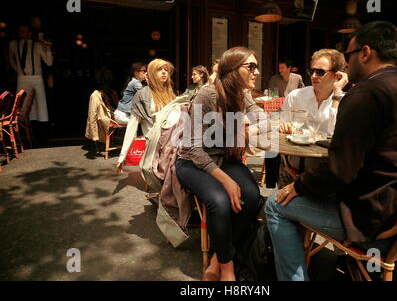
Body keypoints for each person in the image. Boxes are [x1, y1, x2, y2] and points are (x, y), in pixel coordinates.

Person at [264, 21, 397, 281]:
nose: (347, 65)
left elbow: (340, 171)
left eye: (348, 55)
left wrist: (298, 186)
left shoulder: (365, 95)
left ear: (365, 53)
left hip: (375, 222)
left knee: (275, 203)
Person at [176, 46, 268, 281]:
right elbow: (192, 148)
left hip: (225, 160)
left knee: (251, 195)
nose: (257, 72)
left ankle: (217, 258)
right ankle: (227, 267)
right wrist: (226, 180)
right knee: (220, 201)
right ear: (232, 70)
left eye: (256, 66)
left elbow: (263, 116)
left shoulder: (242, 94)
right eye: (251, 66)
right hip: (192, 162)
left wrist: (250, 128)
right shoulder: (207, 95)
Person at [276, 49, 348, 188]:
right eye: (312, 71)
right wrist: (283, 128)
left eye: (320, 72)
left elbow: (334, 137)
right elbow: (279, 130)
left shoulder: (345, 101)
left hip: (324, 176)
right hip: (290, 169)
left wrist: (336, 97)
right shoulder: (295, 96)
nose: (314, 76)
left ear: (337, 75)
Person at [115, 59, 176, 174]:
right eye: (159, 69)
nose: (164, 72)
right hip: (156, 143)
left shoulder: (170, 94)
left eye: (166, 70)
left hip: (172, 140)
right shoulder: (142, 94)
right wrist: (122, 157)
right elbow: (132, 126)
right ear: (151, 73)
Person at [9, 23, 53, 122]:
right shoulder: (13, 44)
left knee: (40, 101)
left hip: (37, 77)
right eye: (20, 30)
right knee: (21, 102)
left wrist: (48, 49)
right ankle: (20, 123)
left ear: (30, 33)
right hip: (22, 77)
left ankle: (42, 123)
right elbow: (11, 59)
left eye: (24, 30)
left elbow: (49, 62)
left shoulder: (37, 45)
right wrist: (18, 70)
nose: (21, 33)